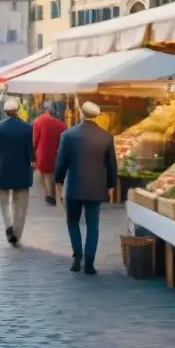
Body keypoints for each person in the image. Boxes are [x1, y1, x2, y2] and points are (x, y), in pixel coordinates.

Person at [55, 101, 118, 275]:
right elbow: (112, 166)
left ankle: (77, 257)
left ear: (81, 113)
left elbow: (61, 161)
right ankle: (89, 262)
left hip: (74, 186)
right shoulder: (106, 136)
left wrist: (58, 181)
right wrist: (111, 185)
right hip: (97, 188)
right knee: (93, 225)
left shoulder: (68, 135)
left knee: (73, 221)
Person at [0, 98, 36, 245]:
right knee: (20, 204)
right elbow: (30, 151)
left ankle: (8, 227)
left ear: (5, 111)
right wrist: (33, 163)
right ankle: (17, 232)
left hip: (3, 171)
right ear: (18, 110)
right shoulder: (27, 128)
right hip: (22, 171)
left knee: (4, 203)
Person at [33, 102, 66, 205]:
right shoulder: (61, 125)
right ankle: (55, 194)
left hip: (42, 153)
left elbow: (34, 139)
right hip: (57, 153)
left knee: (46, 174)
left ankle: (50, 194)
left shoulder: (38, 121)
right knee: (55, 174)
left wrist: (32, 154)